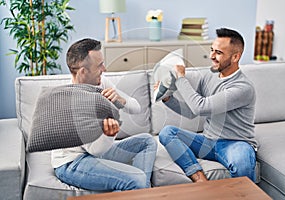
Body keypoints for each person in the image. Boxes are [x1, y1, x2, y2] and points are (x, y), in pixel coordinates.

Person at [51, 38, 157, 191]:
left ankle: (141, 191)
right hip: (73, 162)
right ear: (83, 71)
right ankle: (140, 189)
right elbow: (95, 150)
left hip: (96, 153)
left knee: (147, 141)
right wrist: (110, 130)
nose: (105, 69)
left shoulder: (100, 82)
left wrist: (119, 99)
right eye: (99, 65)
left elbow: (136, 108)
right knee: (136, 179)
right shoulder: (71, 103)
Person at [157, 28, 258, 183]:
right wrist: (168, 99)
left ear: (235, 57)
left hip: (235, 143)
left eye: (218, 52)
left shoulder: (242, 88)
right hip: (208, 142)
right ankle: (200, 179)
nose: (211, 56)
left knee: (242, 165)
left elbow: (200, 107)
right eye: (212, 50)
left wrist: (180, 78)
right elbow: (193, 111)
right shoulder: (209, 76)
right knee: (167, 133)